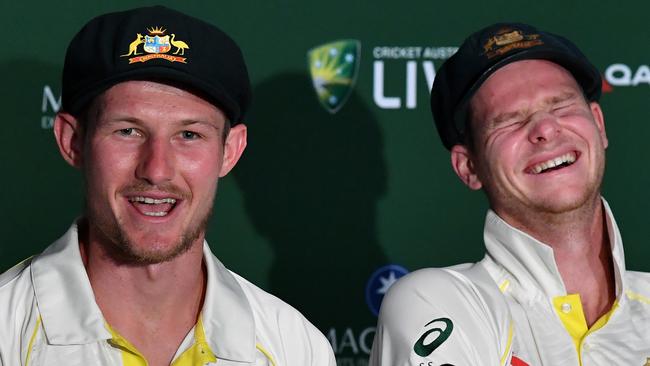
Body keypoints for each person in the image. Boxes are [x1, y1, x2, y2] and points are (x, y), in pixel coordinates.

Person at [0, 6, 335, 366]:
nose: (157, 170)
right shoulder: (6, 330)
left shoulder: (294, 348)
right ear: (72, 141)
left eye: (189, 134)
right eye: (127, 131)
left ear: (230, 150)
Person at [369, 22, 650, 366]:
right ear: (468, 167)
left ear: (599, 125)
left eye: (561, 105)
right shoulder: (440, 302)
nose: (546, 129)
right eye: (509, 120)